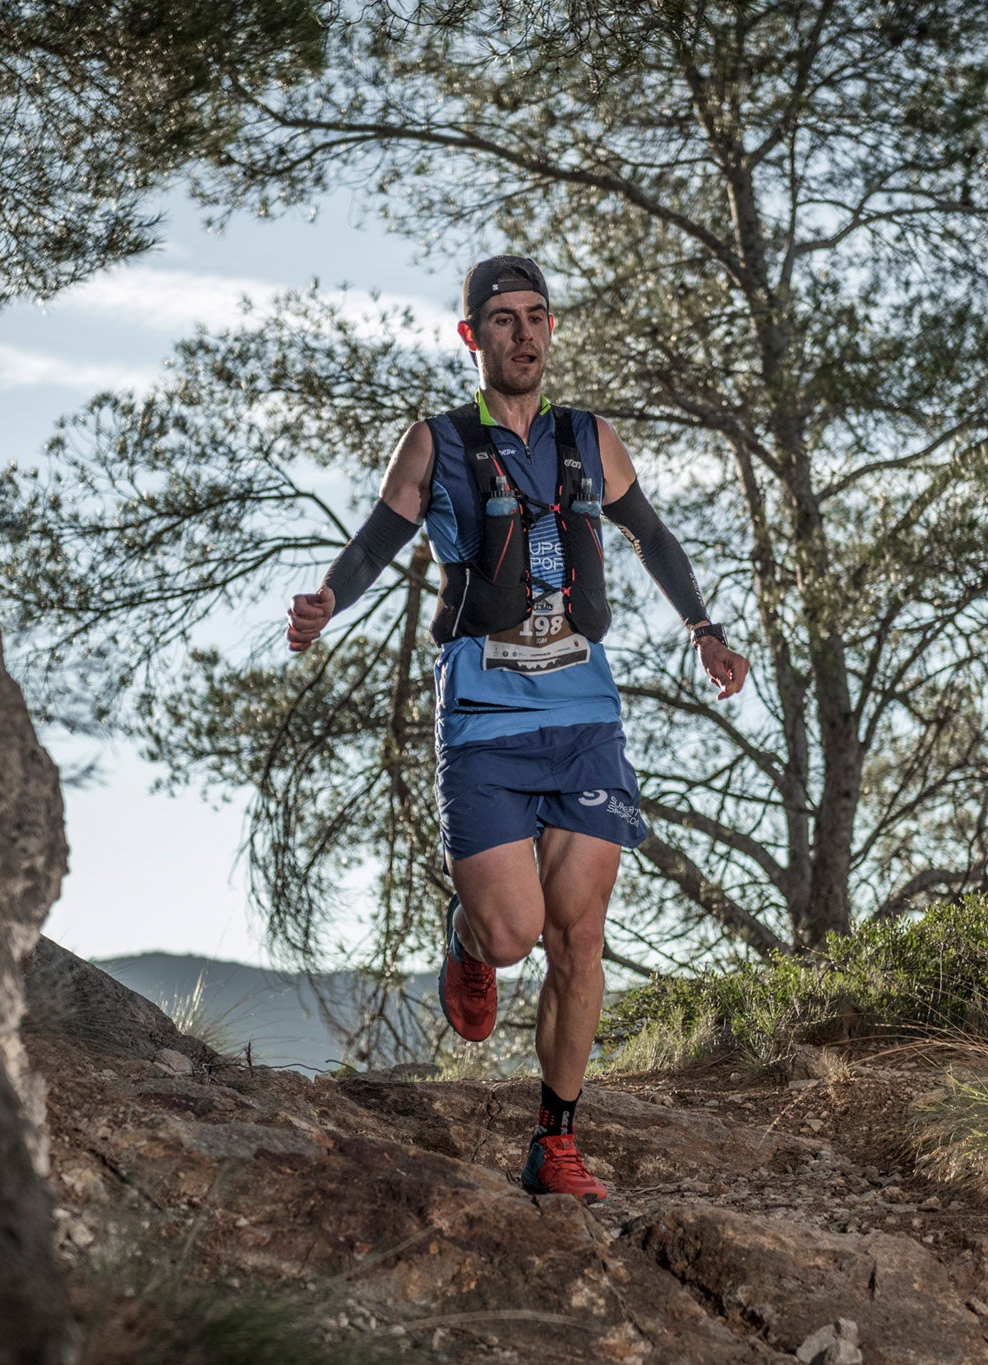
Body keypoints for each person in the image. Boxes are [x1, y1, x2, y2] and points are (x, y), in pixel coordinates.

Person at [286, 255, 749, 1203]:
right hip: (485, 715)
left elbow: (653, 537)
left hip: (584, 713)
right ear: (472, 336)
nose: (525, 334)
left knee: (579, 941)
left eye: (537, 317)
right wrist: (329, 597)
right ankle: (468, 941)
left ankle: (555, 1139)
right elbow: (381, 536)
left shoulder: (590, 439)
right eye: (503, 320)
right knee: (512, 934)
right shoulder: (435, 443)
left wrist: (703, 627)